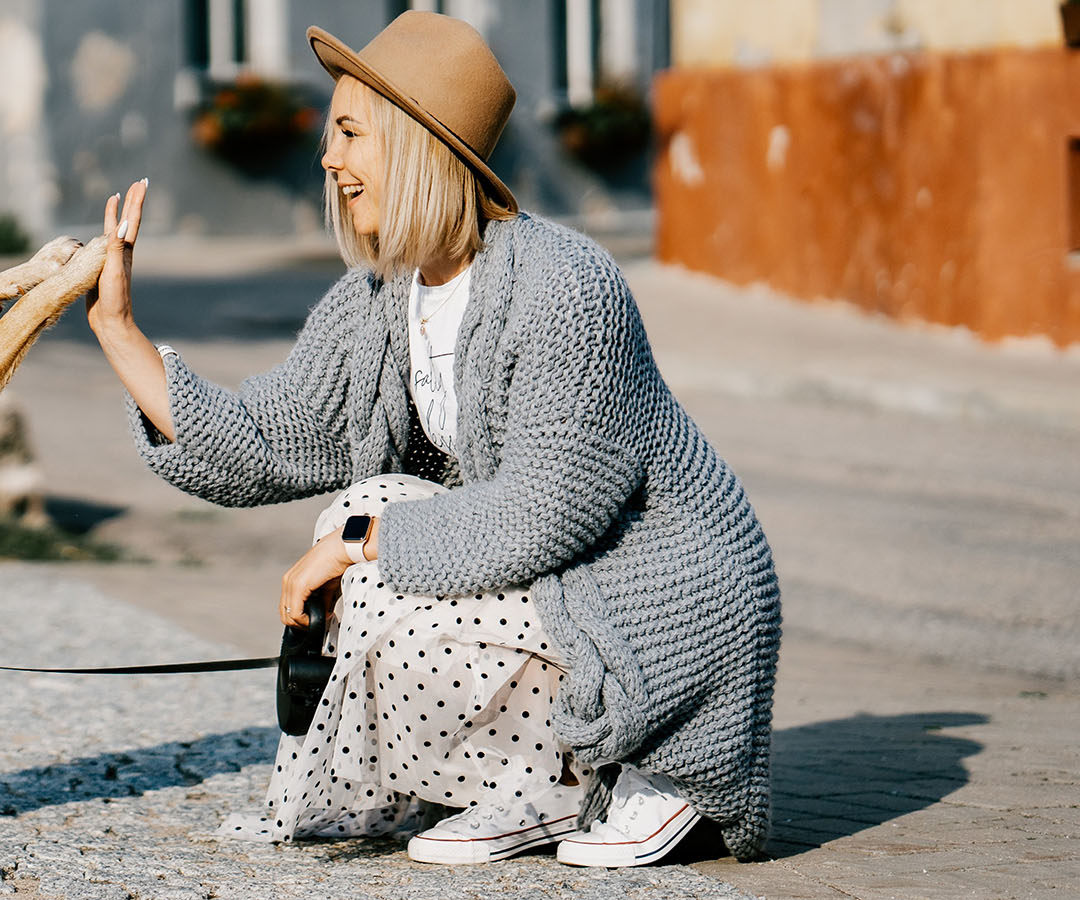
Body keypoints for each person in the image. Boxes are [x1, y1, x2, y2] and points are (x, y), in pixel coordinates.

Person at [85, 12, 780, 868]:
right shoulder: (381, 297)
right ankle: (522, 784)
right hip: (559, 586)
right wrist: (120, 331)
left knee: (369, 542)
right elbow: (268, 439)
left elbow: (542, 513)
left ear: (416, 143)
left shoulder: (566, 285)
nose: (328, 158)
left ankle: (615, 773)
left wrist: (355, 549)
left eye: (349, 132)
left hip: (658, 601)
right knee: (364, 510)